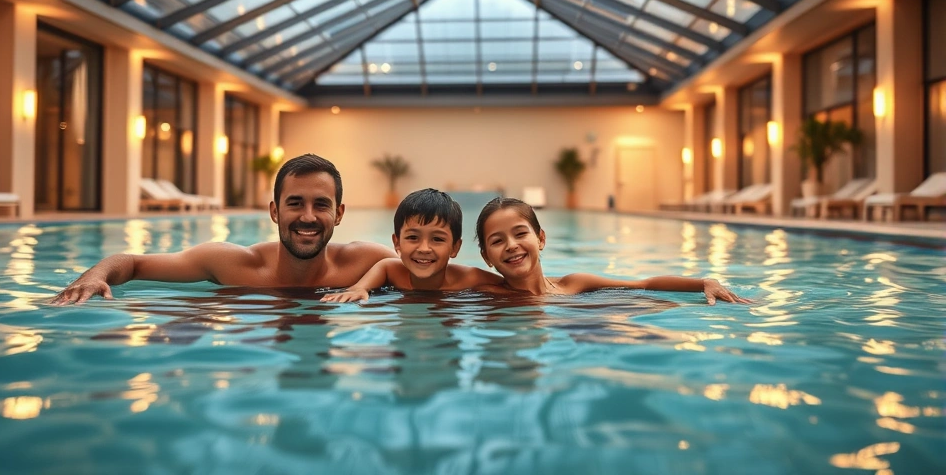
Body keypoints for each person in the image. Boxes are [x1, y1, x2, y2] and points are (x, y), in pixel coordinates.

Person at [50, 154, 396, 305]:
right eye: (295, 203)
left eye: (321, 205)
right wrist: (94, 277)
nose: (308, 216)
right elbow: (132, 263)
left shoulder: (366, 263)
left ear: (339, 214)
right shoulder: (231, 264)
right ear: (274, 212)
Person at [471, 197, 751, 303]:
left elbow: (643, 284)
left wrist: (703, 282)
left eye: (520, 233)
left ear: (541, 238)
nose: (512, 245)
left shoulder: (574, 284)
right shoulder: (491, 295)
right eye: (497, 241)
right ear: (487, 257)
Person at [320, 189, 504, 303]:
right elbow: (384, 266)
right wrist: (360, 287)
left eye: (437, 239)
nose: (424, 248)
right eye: (413, 237)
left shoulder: (469, 278)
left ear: (455, 247)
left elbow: (508, 286)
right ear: (397, 243)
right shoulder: (394, 271)